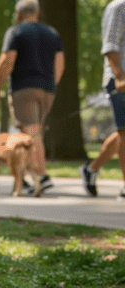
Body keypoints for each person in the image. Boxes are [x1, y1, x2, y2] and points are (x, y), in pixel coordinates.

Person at [0, 0, 64, 195]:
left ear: (18, 14)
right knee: (35, 133)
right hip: (47, 90)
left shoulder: (15, 32)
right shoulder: (52, 33)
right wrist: (51, 83)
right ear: (37, 13)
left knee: (31, 135)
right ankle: (29, 177)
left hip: (24, 88)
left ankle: (42, 176)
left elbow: (7, 60)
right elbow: (60, 63)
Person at [80, 0, 125, 199]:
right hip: (120, 79)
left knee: (122, 133)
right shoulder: (118, 7)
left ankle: (92, 168)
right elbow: (110, 45)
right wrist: (119, 76)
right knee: (124, 132)